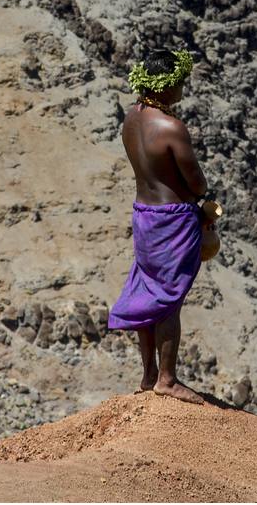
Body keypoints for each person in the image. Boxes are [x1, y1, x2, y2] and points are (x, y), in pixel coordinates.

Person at [107, 48, 214, 405]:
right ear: (166, 85)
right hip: (173, 220)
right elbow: (197, 183)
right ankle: (167, 379)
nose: (184, 87)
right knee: (169, 299)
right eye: (180, 81)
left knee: (150, 291)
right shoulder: (171, 127)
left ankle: (149, 373)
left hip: (144, 215)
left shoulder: (131, 120)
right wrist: (204, 206)